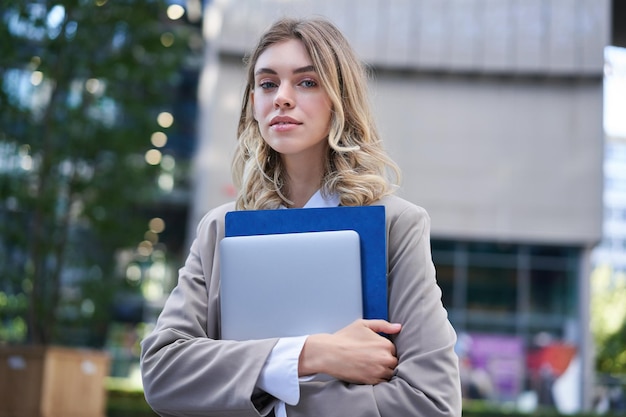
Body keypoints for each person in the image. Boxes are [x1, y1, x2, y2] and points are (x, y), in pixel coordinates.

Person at [140, 17, 462, 417]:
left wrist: (257, 391)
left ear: (340, 99)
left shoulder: (396, 225)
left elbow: (432, 403)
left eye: (307, 82)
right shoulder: (221, 228)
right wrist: (309, 354)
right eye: (268, 83)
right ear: (253, 102)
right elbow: (162, 371)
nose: (282, 98)